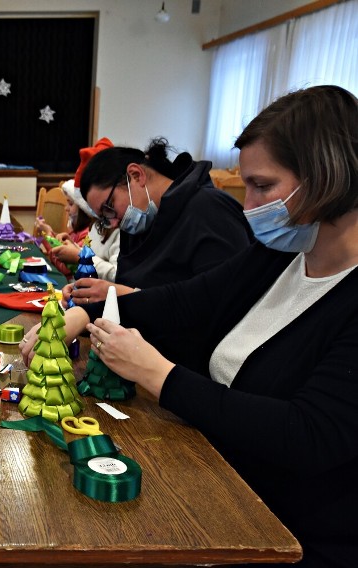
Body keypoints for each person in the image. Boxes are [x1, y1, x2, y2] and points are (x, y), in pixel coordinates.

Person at [22, 85, 358, 568]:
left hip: (283, 532)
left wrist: (158, 375)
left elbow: (308, 435)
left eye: (263, 186)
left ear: (327, 178)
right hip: (210, 472)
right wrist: (84, 314)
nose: (249, 207)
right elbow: (183, 302)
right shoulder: (278, 255)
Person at [64, 137, 252, 305]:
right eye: (104, 218)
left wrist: (121, 295)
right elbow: (129, 288)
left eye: (109, 206)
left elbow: (219, 305)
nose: (112, 223)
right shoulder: (137, 225)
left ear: (136, 175)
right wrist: (87, 300)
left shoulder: (209, 210)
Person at [41, 138, 120, 282]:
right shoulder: (96, 225)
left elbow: (117, 275)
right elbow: (94, 254)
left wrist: (79, 256)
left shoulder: (119, 230)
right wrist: (74, 246)